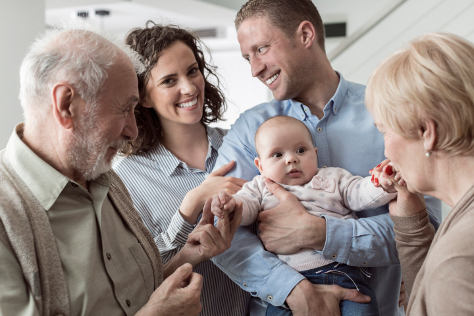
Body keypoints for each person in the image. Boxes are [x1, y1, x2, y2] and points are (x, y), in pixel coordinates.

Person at [210, 0, 442, 315]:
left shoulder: (387, 111)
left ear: (306, 34)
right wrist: (294, 290)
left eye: (262, 49)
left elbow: (425, 228)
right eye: (248, 57)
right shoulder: (250, 129)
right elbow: (222, 234)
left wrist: (321, 232)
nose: (254, 70)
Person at [0, 24, 242, 316]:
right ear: (66, 104)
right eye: (123, 109)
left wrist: (191, 255)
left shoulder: (107, 181)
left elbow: (136, 294)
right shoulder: (7, 217)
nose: (133, 130)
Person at [113, 22, 250, 315]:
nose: (189, 88)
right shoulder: (125, 180)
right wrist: (188, 209)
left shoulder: (242, 144)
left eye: (192, 71)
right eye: (168, 81)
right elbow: (136, 286)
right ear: (144, 97)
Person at [212, 116, 401, 315]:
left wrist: (382, 183)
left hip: (343, 272)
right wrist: (230, 207)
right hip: (288, 284)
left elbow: (360, 193)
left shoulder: (332, 177)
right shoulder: (260, 186)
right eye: (277, 154)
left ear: (315, 153)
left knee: (362, 310)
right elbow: (246, 206)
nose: (291, 159)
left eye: (301, 150)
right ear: (260, 165)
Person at [366, 32, 474, 316]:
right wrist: (410, 220)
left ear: (427, 132)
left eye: (384, 131)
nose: (385, 148)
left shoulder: (461, 257)